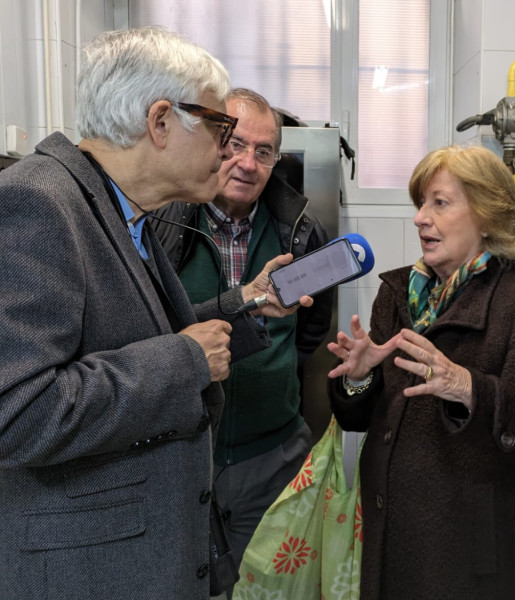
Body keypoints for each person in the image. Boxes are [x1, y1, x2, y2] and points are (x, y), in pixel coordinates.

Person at [0, 27, 311, 599]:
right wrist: (186, 360)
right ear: (161, 121)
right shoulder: (39, 202)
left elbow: (132, 331)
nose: (228, 151)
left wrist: (243, 304)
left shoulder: (126, 210)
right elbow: (18, 414)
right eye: (221, 128)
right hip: (88, 569)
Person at [326, 144, 515, 599]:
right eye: (421, 203)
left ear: (486, 215)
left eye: (439, 203)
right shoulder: (400, 293)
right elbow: (359, 420)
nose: (421, 217)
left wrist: (468, 388)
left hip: (467, 558)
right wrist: (358, 378)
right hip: (390, 536)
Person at [153, 88, 333, 575]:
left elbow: (311, 331)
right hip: (181, 459)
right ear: (212, 141)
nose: (247, 163)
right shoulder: (163, 223)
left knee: (275, 587)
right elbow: (149, 328)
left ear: (277, 160)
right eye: (234, 144)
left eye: (264, 151)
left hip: (275, 458)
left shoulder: (301, 231)